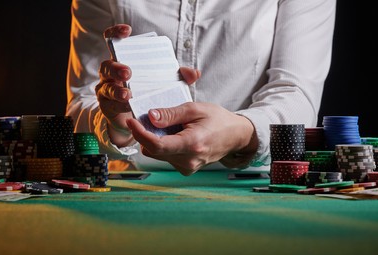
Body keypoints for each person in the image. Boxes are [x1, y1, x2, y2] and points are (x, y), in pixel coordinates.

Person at [66, 0, 337, 176]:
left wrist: (240, 133)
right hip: (131, 183)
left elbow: (297, 94)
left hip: (254, 183)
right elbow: (81, 103)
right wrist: (115, 124)